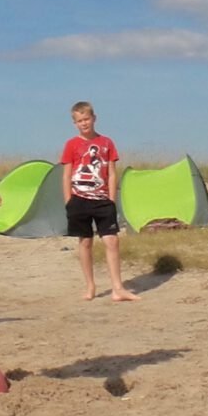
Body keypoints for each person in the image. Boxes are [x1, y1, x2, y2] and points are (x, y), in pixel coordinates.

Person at [61, 101, 140, 302]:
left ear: (94, 118)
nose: (84, 123)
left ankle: (117, 288)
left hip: (103, 200)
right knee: (85, 242)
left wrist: (111, 199)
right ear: (74, 123)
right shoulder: (71, 145)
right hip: (79, 199)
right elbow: (66, 174)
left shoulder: (107, 143)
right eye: (79, 121)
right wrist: (68, 200)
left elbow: (112, 173)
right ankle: (90, 285)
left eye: (86, 119)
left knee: (111, 241)